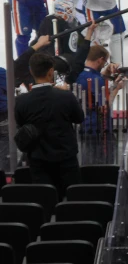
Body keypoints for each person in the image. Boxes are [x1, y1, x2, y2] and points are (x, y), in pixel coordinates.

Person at [15, 53, 84, 198]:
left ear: (31, 72)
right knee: (73, 200)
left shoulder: (22, 101)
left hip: (38, 161)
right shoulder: (65, 96)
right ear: (51, 72)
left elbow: (21, 125)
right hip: (66, 158)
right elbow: (79, 118)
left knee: (44, 202)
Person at [75, 44, 126, 133]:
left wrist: (106, 73)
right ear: (100, 60)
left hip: (85, 123)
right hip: (98, 128)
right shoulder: (96, 80)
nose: (103, 65)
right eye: (104, 62)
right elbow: (105, 107)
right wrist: (117, 88)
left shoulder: (80, 74)